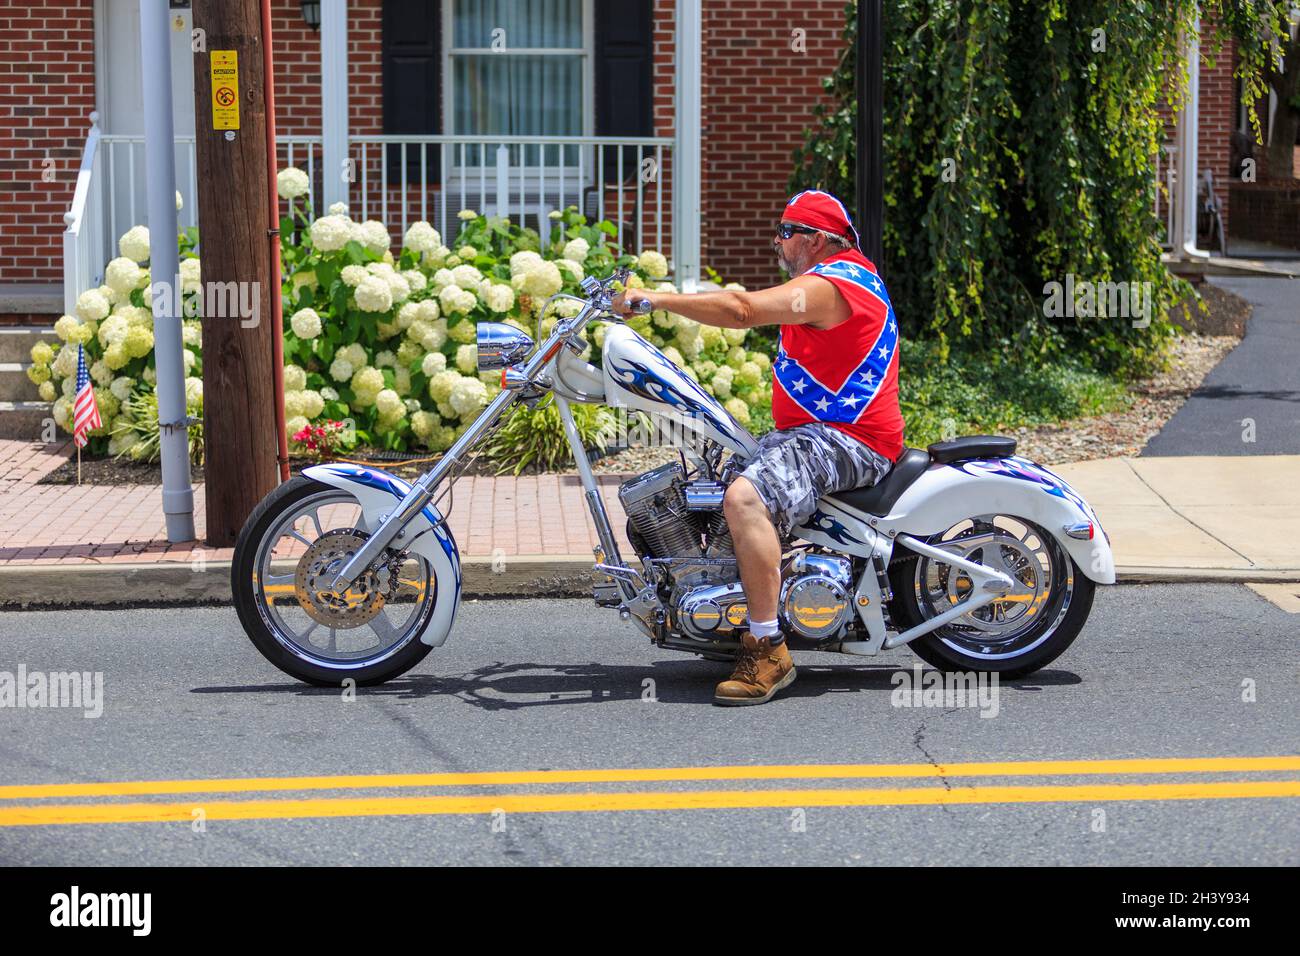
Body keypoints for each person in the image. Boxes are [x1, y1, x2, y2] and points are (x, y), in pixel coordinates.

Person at [613, 190, 905, 706]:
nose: (778, 242)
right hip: (815, 434)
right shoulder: (829, 281)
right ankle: (722, 602)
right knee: (714, 479)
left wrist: (652, 299)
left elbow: (743, 309)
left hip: (850, 440)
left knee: (744, 498)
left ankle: (767, 646)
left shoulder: (838, 283)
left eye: (787, 232)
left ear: (817, 239)